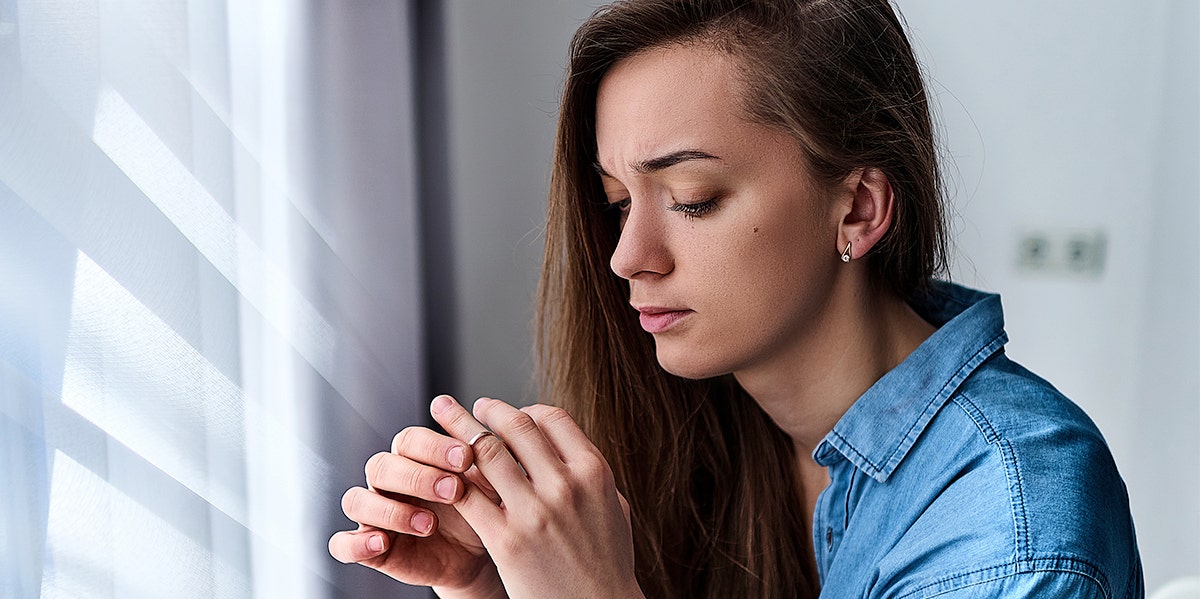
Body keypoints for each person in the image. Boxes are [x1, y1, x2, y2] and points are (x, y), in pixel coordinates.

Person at [328, 0, 1144, 597]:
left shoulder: (1011, 527)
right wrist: (493, 586)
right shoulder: (704, 436)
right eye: (618, 203)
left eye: (691, 197)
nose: (625, 257)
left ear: (857, 207)